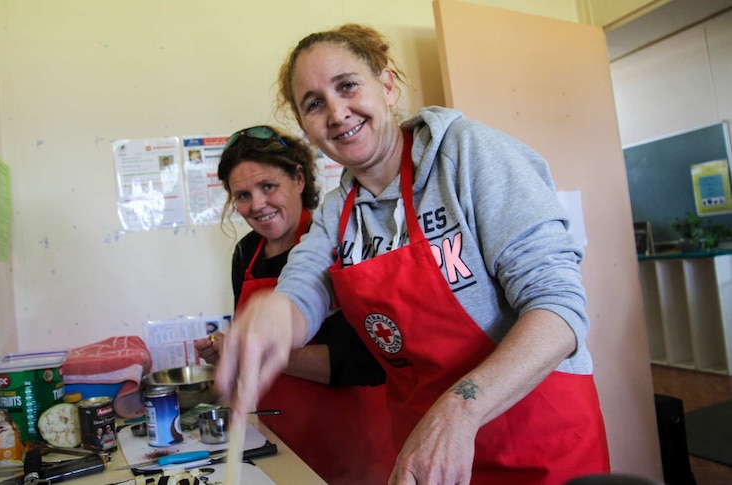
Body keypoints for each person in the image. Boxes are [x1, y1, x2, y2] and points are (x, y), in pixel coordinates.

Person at [214, 24, 610, 485]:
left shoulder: (468, 155)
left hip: (538, 440)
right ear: (305, 126)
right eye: (315, 103)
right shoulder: (339, 213)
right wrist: (272, 322)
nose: (337, 113)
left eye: (347, 86)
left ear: (386, 85)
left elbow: (559, 311)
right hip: (425, 455)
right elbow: (302, 290)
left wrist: (460, 412)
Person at [193, 125, 395, 484]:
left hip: (354, 446)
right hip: (279, 441)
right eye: (242, 195)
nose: (256, 205)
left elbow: (364, 364)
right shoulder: (246, 253)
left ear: (298, 178)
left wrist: (260, 352)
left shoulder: (338, 243)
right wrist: (230, 349)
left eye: (267, 186)